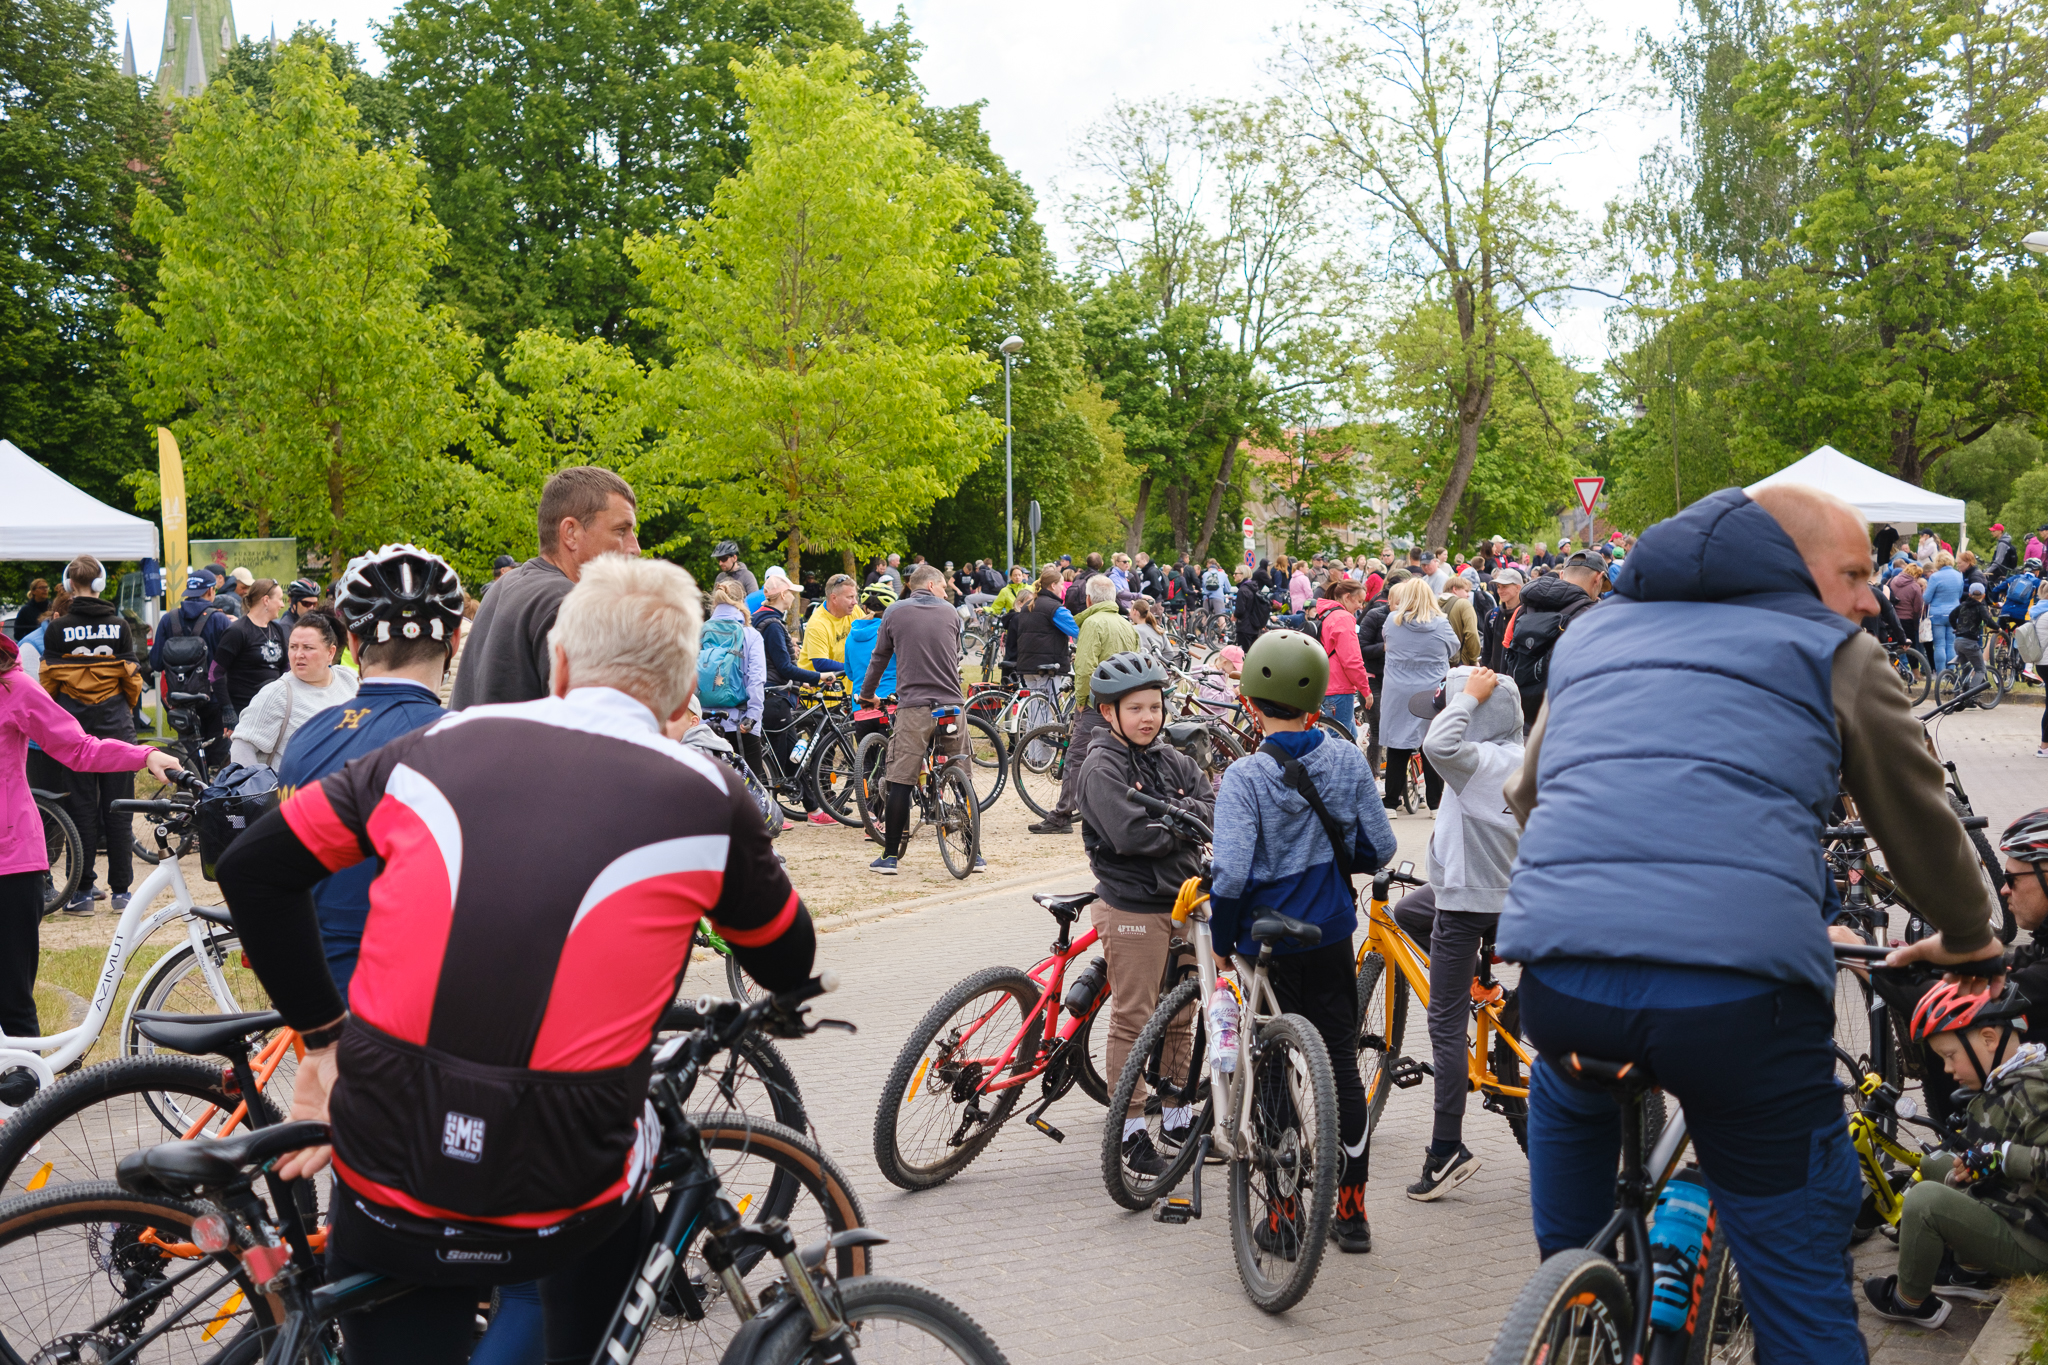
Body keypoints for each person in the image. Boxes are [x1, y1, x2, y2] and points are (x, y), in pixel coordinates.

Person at [218, 553, 812, 1365]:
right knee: (611, 1212)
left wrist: (323, 1038)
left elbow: (253, 868)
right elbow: (787, 959)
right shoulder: (705, 792)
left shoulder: (430, 746)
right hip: (562, 1176)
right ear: (683, 699)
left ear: (558, 664)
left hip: (388, 1146)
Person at [1500, 484, 2002, 1362]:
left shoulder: (1592, 634)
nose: (1869, 597)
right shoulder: (1836, 652)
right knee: (1803, 1295)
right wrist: (1969, 937)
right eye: (1853, 573)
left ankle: (1572, 1305)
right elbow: (1920, 825)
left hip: (1563, 981)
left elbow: (1525, 792)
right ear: (1788, 564)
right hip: (1735, 1010)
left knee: (1569, 1094)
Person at [1210, 630, 1399, 1254]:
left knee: (1271, 1070)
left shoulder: (1244, 776)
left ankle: (1285, 1216)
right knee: (1340, 1064)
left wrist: (1222, 935)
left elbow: (1230, 874)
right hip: (1331, 934)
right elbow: (1381, 847)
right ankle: (1352, 1213)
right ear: (1318, 699)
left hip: (1267, 944)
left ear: (1249, 701)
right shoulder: (1346, 759)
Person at [0, 630, 183, 1098]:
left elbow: (78, 748)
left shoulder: (13, 687)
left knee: (12, 999)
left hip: (10, 860)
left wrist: (145, 754)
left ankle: (24, 1105)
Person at [1074, 653, 1215, 1176]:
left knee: (1182, 1015)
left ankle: (1176, 1117)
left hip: (1186, 901)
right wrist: (1184, 822)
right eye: (1135, 708)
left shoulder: (1171, 758)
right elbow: (1131, 835)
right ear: (1109, 712)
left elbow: (1211, 807)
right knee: (1133, 1018)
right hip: (1132, 904)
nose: (1148, 718)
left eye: (1154, 707)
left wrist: (1177, 817)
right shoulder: (1100, 767)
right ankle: (1129, 1132)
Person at [1391, 665, 1524, 1199]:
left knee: (1443, 1024)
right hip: (1511, 896)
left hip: (1467, 902)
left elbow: (1437, 744)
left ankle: (1446, 1148)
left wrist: (1466, 698)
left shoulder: (1475, 761)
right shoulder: (1523, 756)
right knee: (1407, 913)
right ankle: (1481, 985)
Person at [1862, 982, 2048, 1326]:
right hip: (2019, 1209)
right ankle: (1970, 1272)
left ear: (1988, 1039)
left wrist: (2003, 1157)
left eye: (1950, 1056)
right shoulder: (2007, 1080)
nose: (1948, 1069)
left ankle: (1910, 1301)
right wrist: (1982, 1160)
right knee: (1936, 1163)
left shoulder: (2034, 1092)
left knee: (1925, 1200)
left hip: (2036, 1240)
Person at [452, 466, 639, 709]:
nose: (635, 548)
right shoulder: (568, 603)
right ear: (570, 533)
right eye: (621, 531)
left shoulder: (504, 587)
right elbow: (593, 724)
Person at [38, 556, 149, 914]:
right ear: (100, 583)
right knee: (120, 809)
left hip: (73, 729)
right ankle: (122, 892)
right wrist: (122, 708)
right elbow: (132, 678)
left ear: (69, 584)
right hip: (116, 726)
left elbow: (47, 681)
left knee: (80, 809)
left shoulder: (57, 629)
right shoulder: (119, 626)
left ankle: (82, 892)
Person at [858, 565, 977, 874]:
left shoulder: (894, 612)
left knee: (900, 778)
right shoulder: (951, 613)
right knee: (960, 773)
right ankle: (974, 852)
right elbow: (952, 655)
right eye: (944, 587)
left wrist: (867, 694)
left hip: (914, 707)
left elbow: (879, 658)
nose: (946, 593)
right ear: (932, 584)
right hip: (952, 706)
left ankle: (890, 856)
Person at [1036, 576, 1137, 837]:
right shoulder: (1126, 624)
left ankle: (1062, 815)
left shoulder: (1092, 623)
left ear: (1089, 600)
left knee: (1077, 757)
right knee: (1121, 757)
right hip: (1124, 703)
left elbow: (1084, 669)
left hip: (1098, 702)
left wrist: (1081, 702)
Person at [229, 612, 359, 769]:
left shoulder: (349, 678)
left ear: (330, 652)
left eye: (308, 648)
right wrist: (259, 782)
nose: (298, 655)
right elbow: (241, 747)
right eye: (293, 647)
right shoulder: (277, 694)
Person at [752, 573, 828, 825]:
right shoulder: (773, 625)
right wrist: (817, 677)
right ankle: (770, 814)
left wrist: (799, 682)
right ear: (783, 595)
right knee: (779, 761)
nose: (794, 598)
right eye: (792, 593)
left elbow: (773, 664)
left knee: (794, 757)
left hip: (774, 695)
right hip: (775, 698)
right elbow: (784, 666)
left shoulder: (761, 619)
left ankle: (813, 810)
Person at [1379, 577, 1459, 811]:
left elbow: (1386, 641)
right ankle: (1435, 804)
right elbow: (1454, 648)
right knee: (1429, 743)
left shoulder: (1391, 621)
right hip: (1430, 689)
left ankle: (1391, 803)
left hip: (1398, 690)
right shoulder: (1441, 624)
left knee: (1397, 745)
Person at [1500, 551, 1601, 727]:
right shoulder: (1595, 615)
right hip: (1567, 719)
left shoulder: (1523, 609)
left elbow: (1506, 656)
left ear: (1562, 575)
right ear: (1598, 578)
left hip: (1520, 717)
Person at [149, 570, 234, 766]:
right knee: (218, 759)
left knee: (189, 760)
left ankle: (192, 783)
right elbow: (232, 663)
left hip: (181, 701)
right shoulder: (220, 620)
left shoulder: (168, 619)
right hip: (215, 700)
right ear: (211, 591)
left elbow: (156, 663)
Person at [700, 579, 768, 786]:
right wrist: (753, 716)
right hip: (740, 722)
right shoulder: (750, 635)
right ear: (742, 601)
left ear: (715, 603)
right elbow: (756, 679)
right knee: (753, 790)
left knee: (710, 787)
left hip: (704, 723)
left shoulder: (699, 632)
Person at [212, 578, 290, 717]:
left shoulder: (276, 629)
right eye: (279, 599)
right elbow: (215, 673)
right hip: (244, 711)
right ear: (266, 600)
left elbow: (286, 667)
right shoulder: (237, 631)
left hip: (274, 709)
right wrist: (227, 709)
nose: (282, 604)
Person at [1307, 577, 1371, 736]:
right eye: (1359, 601)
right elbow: (1352, 660)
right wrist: (1365, 689)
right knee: (1340, 740)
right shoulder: (1343, 618)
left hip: (1327, 685)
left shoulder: (1326, 614)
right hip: (1340, 689)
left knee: (1349, 737)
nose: (1361, 606)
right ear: (1347, 597)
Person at [799, 574, 859, 675]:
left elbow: (869, 633)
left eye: (855, 597)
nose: (855, 602)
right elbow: (820, 663)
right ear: (834, 598)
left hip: (846, 680)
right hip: (817, 683)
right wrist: (854, 668)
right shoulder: (818, 623)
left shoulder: (854, 610)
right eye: (850, 597)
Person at [1951, 580, 1998, 694]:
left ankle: (1963, 694)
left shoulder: (1962, 606)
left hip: (1958, 642)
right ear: (1984, 595)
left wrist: (1956, 628)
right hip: (1970, 643)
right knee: (1980, 669)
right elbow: (1988, 620)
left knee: (1965, 668)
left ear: (1969, 594)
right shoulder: (1980, 607)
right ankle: (1971, 693)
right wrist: (1998, 628)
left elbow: (1952, 616)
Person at [1925, 550, 1966, 674]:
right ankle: (1951, 672)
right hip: (1954, 613)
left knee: (1939, 645)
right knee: (1950, 644)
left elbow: (1926, 598)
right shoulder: (1959, 575)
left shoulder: (1935, 577)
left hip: (1937, 614)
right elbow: (1959, 595)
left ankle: (1941, 673)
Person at [1481, 568, 1523, 670]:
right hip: (1496, 676)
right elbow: (1486, 652)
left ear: (1518, 587)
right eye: (1498, 587)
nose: (1499, 591)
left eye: (1504, 586)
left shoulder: (1528, 615)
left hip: (1519, 677)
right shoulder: (1492, 616)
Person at [1441, 577, 1482, 665]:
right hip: (1460, 662)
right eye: (1466, 591)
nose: (1468, 595)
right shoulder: (1463, 604)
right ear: (1455, 589)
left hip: (1439, 661)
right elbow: (1471, 633)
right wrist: (1473, 659)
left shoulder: (1434, 604)